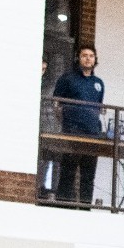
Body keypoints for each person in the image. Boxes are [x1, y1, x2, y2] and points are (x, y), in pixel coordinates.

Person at [52, 44, 104, 204]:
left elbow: (99, 107)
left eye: (91, 56)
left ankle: (85, 209)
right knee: (68, 172)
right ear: (78, 58)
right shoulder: (67, 79)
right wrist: (65, 124)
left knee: (88, 175)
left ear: (95, 59)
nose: (88, 58)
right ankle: (63, 208)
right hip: (72, 132)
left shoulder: (99, 83)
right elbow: (56, 104)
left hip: (93, 134)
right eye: (84, 55)